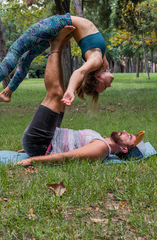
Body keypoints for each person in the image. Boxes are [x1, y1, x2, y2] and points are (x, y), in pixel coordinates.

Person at [18, 30, 144, 166]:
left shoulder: (101, 148)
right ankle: (58, 46)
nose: (125, 131)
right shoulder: (102, 140)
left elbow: (65, 157)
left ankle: (55, 45)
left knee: (55, 94)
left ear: (124, 149)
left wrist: (31, 160)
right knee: (60, 94)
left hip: (41, 143)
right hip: (45, 139)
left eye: (129, 136)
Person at [0, 13, 114, 106]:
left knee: (17, 50)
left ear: (98, 76)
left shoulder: (96, 61)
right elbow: (97, 73)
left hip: (58, 24)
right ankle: (6, 93)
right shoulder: (102, 64)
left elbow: (79, 73)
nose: (110, 86)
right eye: (107, 87)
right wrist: (92, 84)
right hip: (59, 28)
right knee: (24, 59)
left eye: (106, 86)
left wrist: (70, 90)